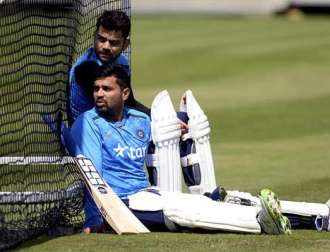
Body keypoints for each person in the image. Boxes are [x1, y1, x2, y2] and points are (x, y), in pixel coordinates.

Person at [70, 63, 291, 235]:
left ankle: (282, 217)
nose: (99, 94)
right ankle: (258, 222)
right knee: (183, 213)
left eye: (106, 89)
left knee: (196, 202)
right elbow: (92, 177)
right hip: (121, 204)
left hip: (148, 194)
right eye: (96, 89)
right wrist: (96, 219)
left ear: (125, 93)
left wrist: (179, 122)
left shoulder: (139, 120)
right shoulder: (88, 123)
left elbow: (164, 136)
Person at [68, 10, 149, 123]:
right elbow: (112, 110)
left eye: (113, 42)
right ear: (94, 36)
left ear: (125, 44)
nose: (105, 46)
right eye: (101, 39)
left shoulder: (123, 62)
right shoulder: (86, 67)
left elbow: (128, 102)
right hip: (91, 131)